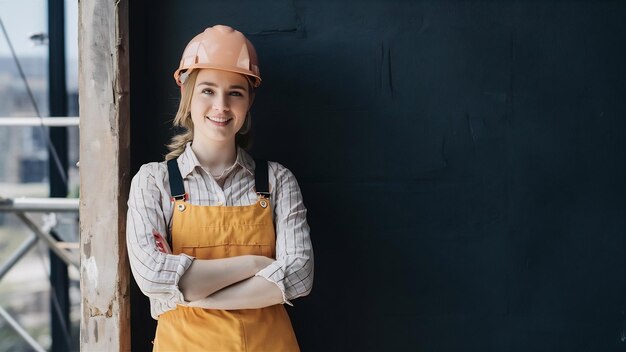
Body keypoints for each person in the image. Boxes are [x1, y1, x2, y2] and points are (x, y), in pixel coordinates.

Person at [126, 24, 314, 351]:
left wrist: (189, 295)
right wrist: (256, 265)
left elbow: (299, 277)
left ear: (249, 101)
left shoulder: (278, 181)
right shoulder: (153, 181)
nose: (221, 106)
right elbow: (153, 277)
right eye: (208, 90)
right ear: (187, 94)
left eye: (235, 93)